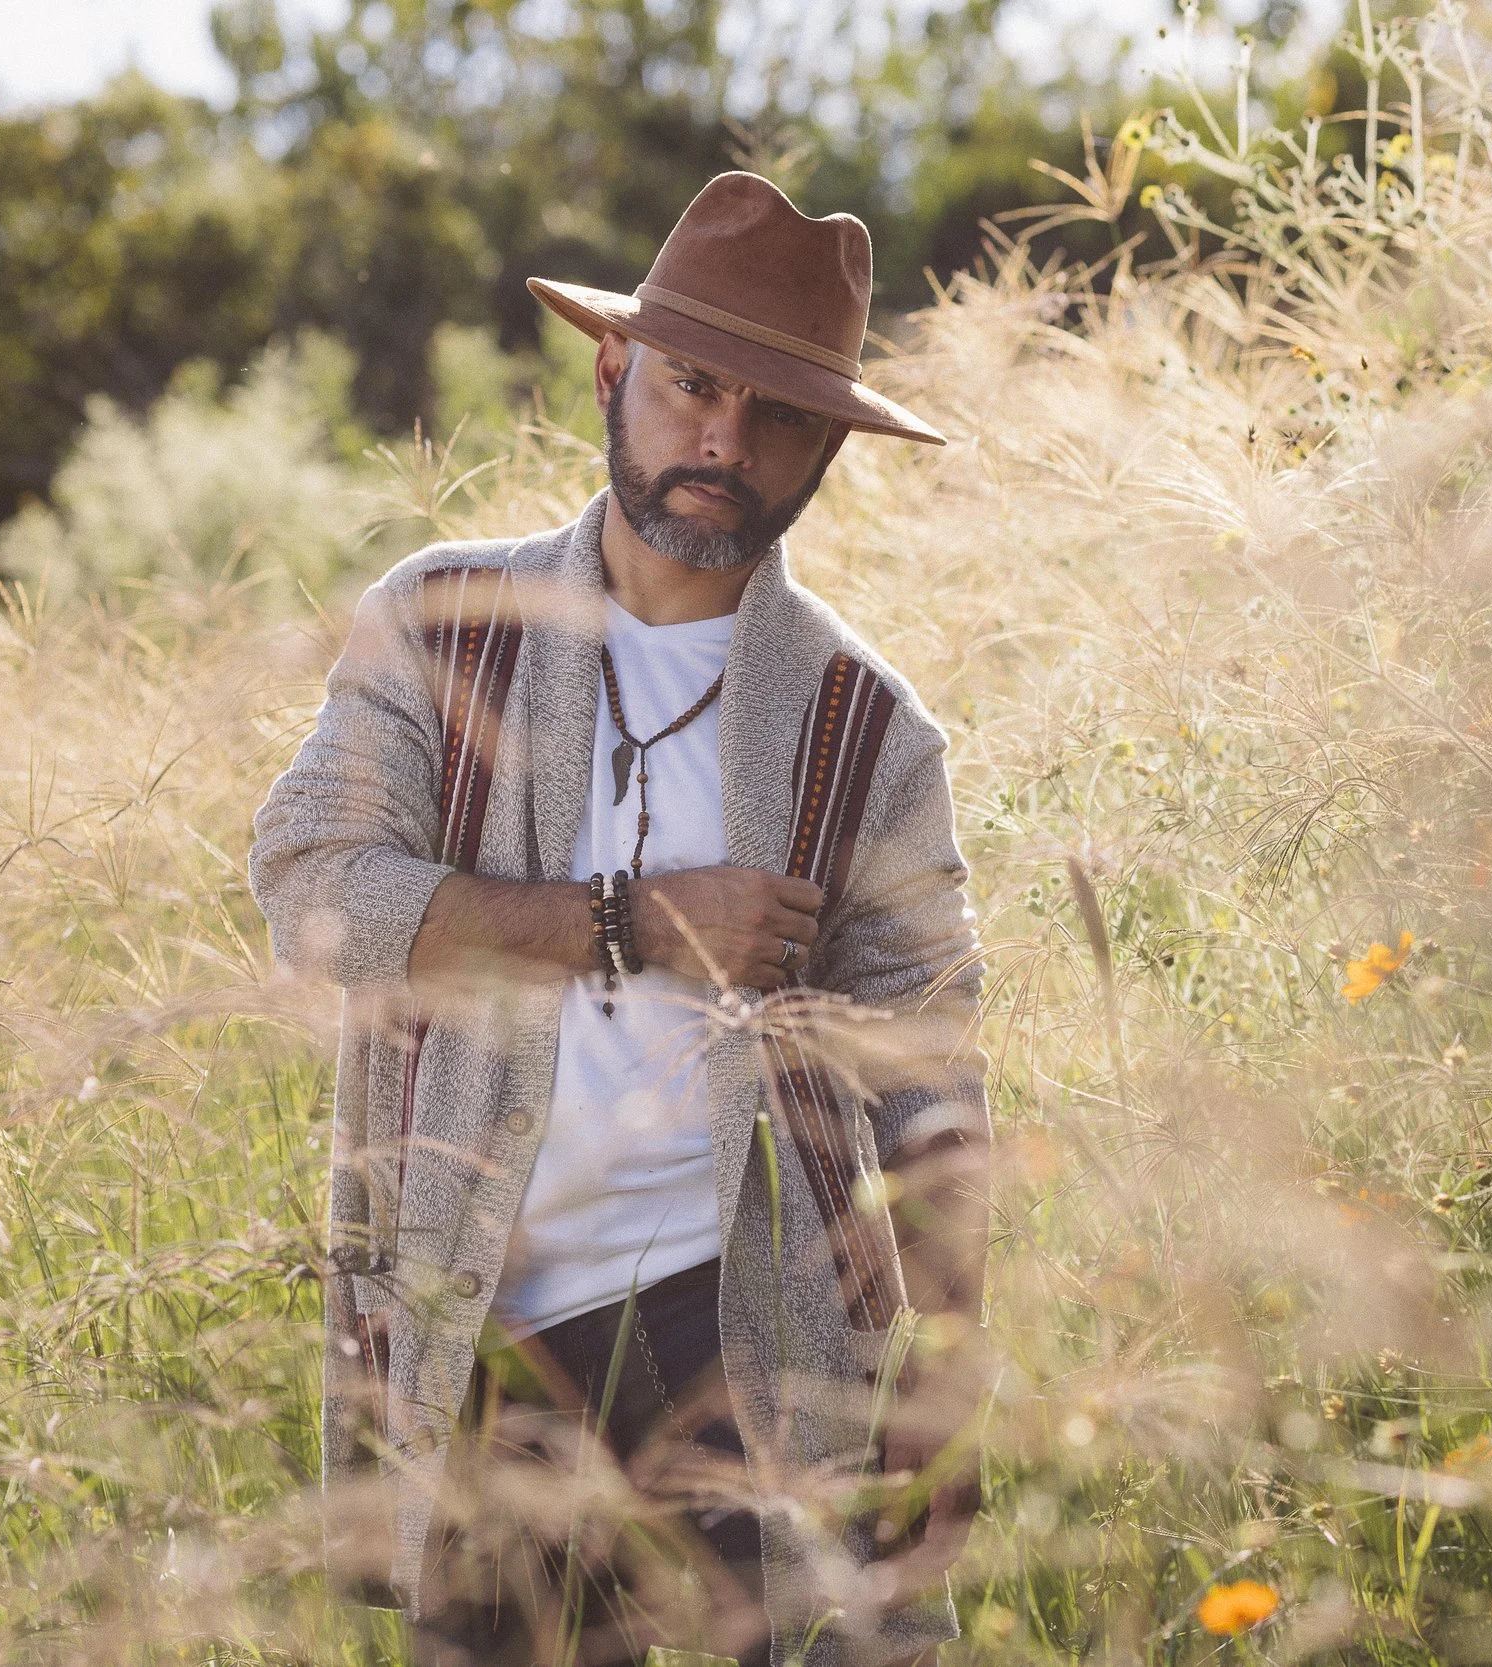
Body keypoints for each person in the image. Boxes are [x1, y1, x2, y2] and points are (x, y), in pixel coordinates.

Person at [249, 171, 990, 1667]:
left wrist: (951, 1381)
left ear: (827, 450)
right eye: (693, 385)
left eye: (778, 414)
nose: (723, 440)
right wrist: (632, 923)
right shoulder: (443, 622)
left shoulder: (867, 729)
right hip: (483, 1320)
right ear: (615, 370)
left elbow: (932, 1076)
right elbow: (314, 892)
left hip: (755, 1334)